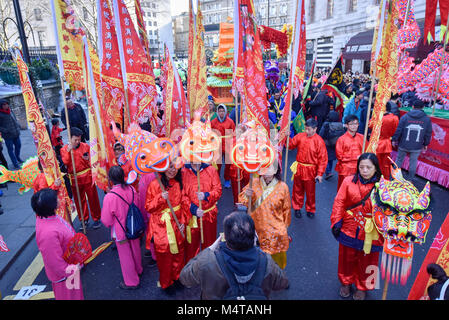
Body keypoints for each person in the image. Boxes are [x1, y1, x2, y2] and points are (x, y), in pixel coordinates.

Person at [179, 211, 289, 299]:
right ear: (254, 236)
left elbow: (185, 278)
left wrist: (209, 250)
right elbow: (282, 283)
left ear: (225, 238)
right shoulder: (267, 262)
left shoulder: (207, 261)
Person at [330, 153, 383, 300]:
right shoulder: (348, 181)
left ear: (376, 168)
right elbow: (339, 202)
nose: (364, 170)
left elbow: (388, 211)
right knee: (346, 258)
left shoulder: (383, 187)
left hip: (372, 230)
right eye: (361, 167)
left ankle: (363, 286)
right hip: (350, 227)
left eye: (368, 167)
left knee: (369, 260)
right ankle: (345, 281)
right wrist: (336, 221)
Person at [145, 162, 189, 292]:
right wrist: (160, 197)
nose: (173, 170)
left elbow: (185, 203)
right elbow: (148, 207)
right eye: (170, 167)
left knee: (179, 253)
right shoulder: (154, 184)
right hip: (161, 226)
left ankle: (177, 278)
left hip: (177, 223)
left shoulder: (178, 183)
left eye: (176, 167)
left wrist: (183, 221)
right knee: (165, 256)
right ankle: (166, 283)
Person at [32, 188, 84, 300]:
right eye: (56, 199)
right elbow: (54, 261)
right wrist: (72, 269)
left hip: (70, 269)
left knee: (76, 295)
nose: (59, 199)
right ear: (50, 206)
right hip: (65, 276)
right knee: (70, 297)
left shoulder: (48, 218)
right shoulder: (48, 233)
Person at [238, 162, 291, 269]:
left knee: (277, 259)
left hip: (275, 229)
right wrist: (246, 196)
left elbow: (287, 210)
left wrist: (285, 228)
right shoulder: (254, 183)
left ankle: (278, 276)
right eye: (264, 169)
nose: (266, 172)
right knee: (257, 258)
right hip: (257, 227)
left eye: (269, 169)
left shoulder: (283, 187)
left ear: (275, 171)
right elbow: (241, 201)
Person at [101, 166, 143, 290]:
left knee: (125, 256)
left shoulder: (110, 196)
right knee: (135, 249)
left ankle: (132, 281)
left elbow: (106, 220)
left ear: (110, 179)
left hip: (121, 230)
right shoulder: (131, 189)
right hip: (134, 225)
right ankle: (139, 269)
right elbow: (138, 205)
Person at [61, 127, 101, 230]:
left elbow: (93, 161)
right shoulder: (64, 149)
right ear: (70, 138)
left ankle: (96, 218)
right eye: (75, 140)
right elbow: (65, 162)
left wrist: (88, 160)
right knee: (79, 200)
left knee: (93, 198)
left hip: (87, 176)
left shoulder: (86, 147)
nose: (78, 142)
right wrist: (68, 151)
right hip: (74, 179)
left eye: (79, 139)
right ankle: (84, 219)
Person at [181, 162, 222, 263]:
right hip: (191, 217)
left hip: (208, 215)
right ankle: (192, 271)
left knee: (209, 244)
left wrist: (207, 195)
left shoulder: (211, 170)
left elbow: (218, 190)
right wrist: (193, 208)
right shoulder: (183, 172)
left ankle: (208, 267)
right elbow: (181, 195)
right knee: (191, 246)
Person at [289, 118, 328, 218]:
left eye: (309, 129)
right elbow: (291, 145)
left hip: (311, 170)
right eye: (306, 129)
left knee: (310, 192)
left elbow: (323, 159)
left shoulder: (319, 141)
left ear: (315, 129)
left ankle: (310, 209)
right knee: (297, 189)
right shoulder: (300, 136)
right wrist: (287, 137)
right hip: (299, 167)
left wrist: (319, 174)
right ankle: (297, 207)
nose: (307, 131)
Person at [392, 98, 432, 182]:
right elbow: (428, 133)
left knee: (399, 160)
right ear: (423, 107)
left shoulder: (405, 116)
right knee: (413, 162)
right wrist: (426, 144)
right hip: (416, 145)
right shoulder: (427, 119)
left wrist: (394, 139)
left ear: (413, 106)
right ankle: (410, 180)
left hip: (403, 144)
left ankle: (394, 178)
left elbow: (399, 130)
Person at [335, 115, 364, 191]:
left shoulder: (362, 138)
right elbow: (339, 156)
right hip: (345, 170)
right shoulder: (341, 139)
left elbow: (367, 151)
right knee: (344, 191)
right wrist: (355, 157)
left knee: (357, 191)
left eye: (356, 123)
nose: (354, 126)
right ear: (346, 125)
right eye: (351, 124)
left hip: (359, 169)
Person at [370, 103, 399, 179]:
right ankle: (385, 179)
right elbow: (395, 130)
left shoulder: (378, 118)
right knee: (386, 165)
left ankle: (375, 178)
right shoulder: (395, 118)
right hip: (387, 143)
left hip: (377, 143)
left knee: (375, 163)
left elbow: (370, 125)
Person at [211, 104, 235, 189]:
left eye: (223, 111)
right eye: (220, 111)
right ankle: (216, 180)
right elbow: (211, 134)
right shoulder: (213, 122)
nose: (221, 112)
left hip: (228, 145)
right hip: (217, 146)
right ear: (217, 112)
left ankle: (227, 179)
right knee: (217, 164)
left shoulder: (230, 122)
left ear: (225, 112)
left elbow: (233, 134)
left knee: (228, 164)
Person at [319, 110, 345, 180]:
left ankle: (327, 171)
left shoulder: (326, 124)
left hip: (326, 144)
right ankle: (329, 170)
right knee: (331, 158)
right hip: (335, 144)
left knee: (326, 158)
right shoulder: (340, 125)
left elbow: (321, 134)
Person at [0, 99, 23, 169]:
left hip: (16, 132)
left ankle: (17, 157)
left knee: (18, 146)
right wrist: (5, 130)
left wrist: (18, 125)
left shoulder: (10, 110)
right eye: (4, 104)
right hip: (8, 136)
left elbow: (14, 118)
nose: (6, 105)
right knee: (10, 150)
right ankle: (15, 163)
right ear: (1, 106)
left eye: (7, 104)